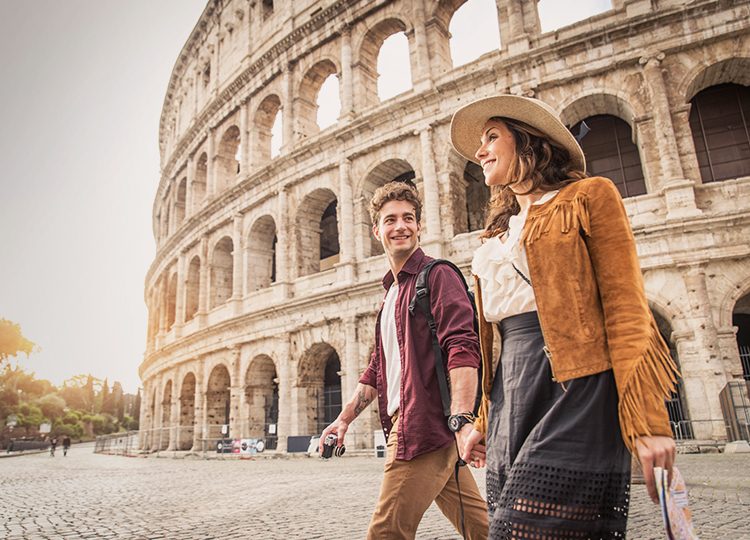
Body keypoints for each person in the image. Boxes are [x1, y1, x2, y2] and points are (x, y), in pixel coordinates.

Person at [449, 94, 680, 538]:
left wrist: (649, 423)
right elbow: (490, 342)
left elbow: (626, 307)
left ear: (529, 141)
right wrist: (481, 418)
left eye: (491, 136)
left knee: (518, 531)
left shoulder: (589, 196)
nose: (479, 151)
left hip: (575, 386)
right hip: (511, 394)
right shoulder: (497, 233)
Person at [319, 180, 489, 540]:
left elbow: (462, 347)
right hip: (427, 427)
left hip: (422, 425)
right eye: (391, 219)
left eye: (408, 218)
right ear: (376, 229)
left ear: (419, 225)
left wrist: (462, 419)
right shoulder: (392, 294)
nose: (401, 226)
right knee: (483, 529)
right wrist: (343, 419)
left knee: (386, 533)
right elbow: (376, 370)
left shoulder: (438, 275)